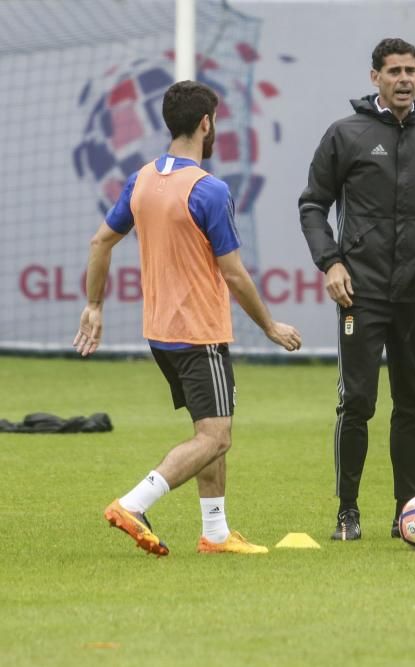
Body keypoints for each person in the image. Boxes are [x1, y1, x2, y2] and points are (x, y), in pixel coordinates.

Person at [74, 80, 302, 557]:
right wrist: (270, 327)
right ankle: (135, 503)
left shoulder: (140, 179)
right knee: (216, 436)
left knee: (209, 431)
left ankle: (215, 534)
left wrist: (94, 305)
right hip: (200, 333)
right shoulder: (209, 189)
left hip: (160, 334)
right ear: (206, 123)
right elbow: (235, 275)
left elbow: (100, 243)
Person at [298, 38, 415, 541]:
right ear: (375, 78)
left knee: (412, 404)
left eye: (411, 70)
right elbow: (312, 205)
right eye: (394, 71)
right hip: (359, 293)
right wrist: (331, 263)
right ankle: (348, 512)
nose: (404, 79)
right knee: (358, 403)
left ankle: (406, 511)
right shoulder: (346, 134)